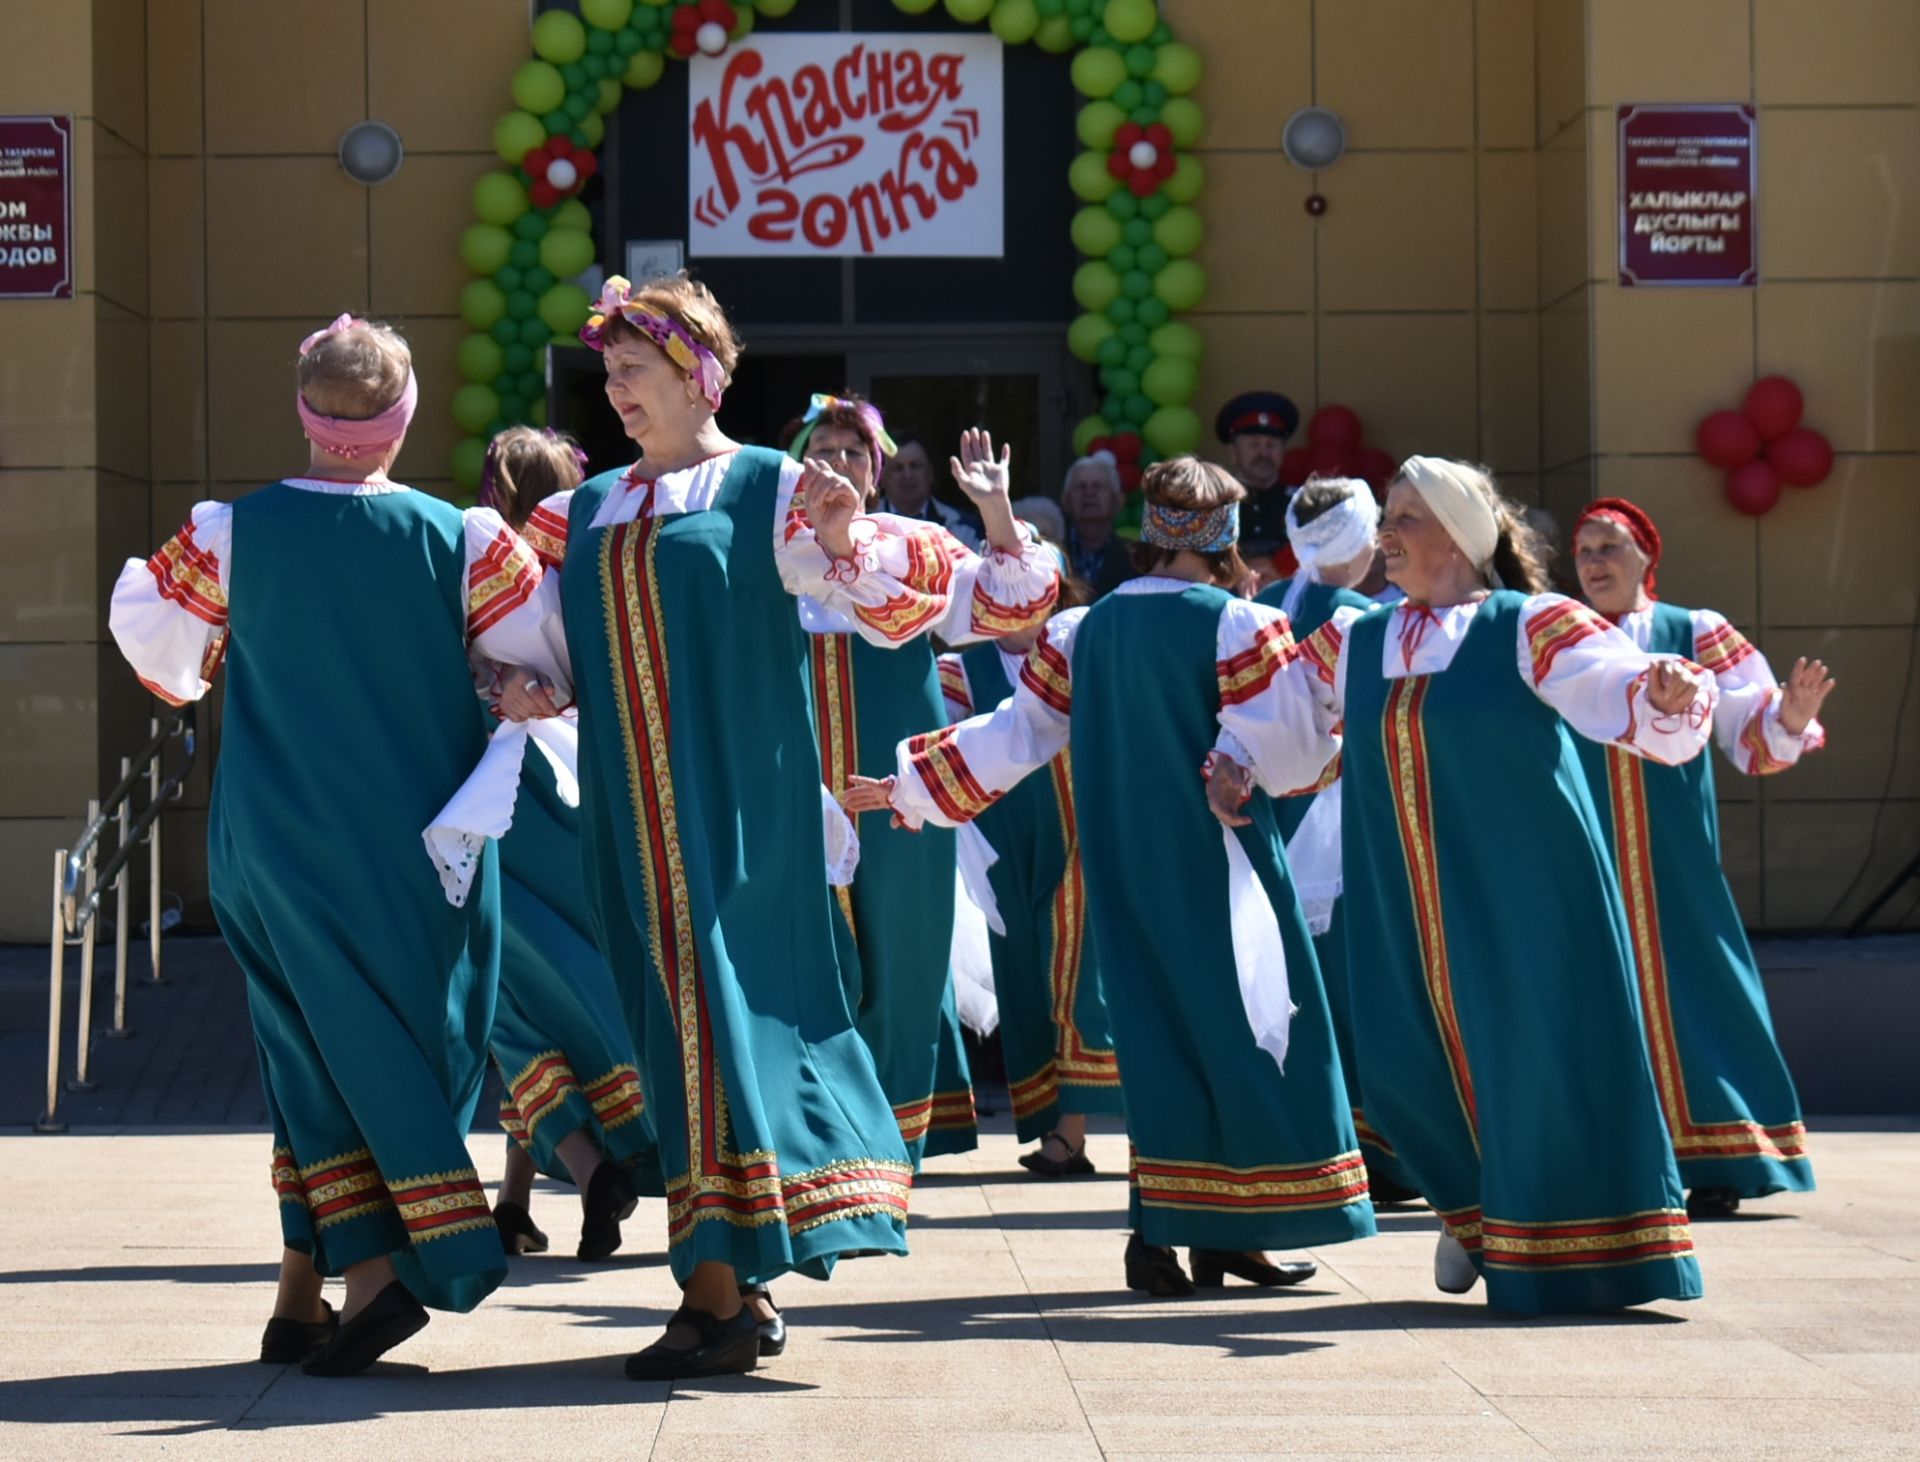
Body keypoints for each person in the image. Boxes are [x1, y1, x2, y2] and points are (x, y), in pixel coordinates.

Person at [477, 274, 1059, 1379]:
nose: (617, 392)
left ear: (698, 377)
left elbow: (960, 604)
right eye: (610, 375)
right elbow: (551, 654)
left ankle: (719, 1287)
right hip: (632, 819)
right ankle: (724, 1285)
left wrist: (850, 548)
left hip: (741, 816)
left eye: (636, 372)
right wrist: (527, 688)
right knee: (678, 1037)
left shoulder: (775, 491)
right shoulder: (582, 511)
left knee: (729, 1032)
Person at [847, 456, 1377, 1297]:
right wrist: (1312, 727)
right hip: (1224, 861)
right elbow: (1294, 753)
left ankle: (1187, 1237)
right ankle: (1209, 1228)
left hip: (1124, 870)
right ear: (1227, 539)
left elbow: (1016, 733)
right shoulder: (1238, 624)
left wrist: (913, 783)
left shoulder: (1079, 632)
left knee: (1161, 1038)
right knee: (1247, 1033)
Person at [108, 315, 528, 1375]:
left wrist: (225, 651)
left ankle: (344, 1282)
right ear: (402, 420)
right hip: (417, 843)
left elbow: (156, 641)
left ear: (305, 412)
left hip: (277, 834)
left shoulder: (232, 533)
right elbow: (542, 667)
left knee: (308, 1049)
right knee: (385, 1043)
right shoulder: (461, 538)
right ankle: (336, 1283)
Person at [1203, 455, 1714, 1315]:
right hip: (1402, 899)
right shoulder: (1357, 637)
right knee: (1402, 1066)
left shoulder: (1532, 624)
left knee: (1535, 1061)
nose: (1386, 536)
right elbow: (1286, 716)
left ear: (1457, 535)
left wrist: (1664, 691)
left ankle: (1552, 1239)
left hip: (1526, 895)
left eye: (1404, 518)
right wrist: (1237, 760)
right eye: (1386, 519)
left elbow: (1626, 692)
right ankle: (1474, 1208)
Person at [1572, 497, 1833, 1217]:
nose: (1594, 562)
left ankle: (1725, 1153)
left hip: (1673, 853)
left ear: (1647, 556)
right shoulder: (1565, 635)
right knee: (1593, 994)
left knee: (1703, 985)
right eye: (1584, 550)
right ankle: (1617, 1157)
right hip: (1586, 848)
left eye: (1609, 547)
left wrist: (1791, 716)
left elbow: (1750, 726)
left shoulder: (1694, 630)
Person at [457, 426, 663, 1262]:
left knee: (508, 996)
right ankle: (529, 1196)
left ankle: (580, 1169)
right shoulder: (596, 575)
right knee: (551, 990)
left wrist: (490, 684)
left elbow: (451, 671)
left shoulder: (474, 570)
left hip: (500, 801)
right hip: (581, 801)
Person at [781, 393, 1000, 1168]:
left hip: (897, 775)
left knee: (905, 938)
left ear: (876, 472)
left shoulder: (915, 544)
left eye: (854, 454)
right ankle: (824, 1124)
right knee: (812, 938)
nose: (838, 466)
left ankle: (892, 1135)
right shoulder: (770, 545)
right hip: (797, 770)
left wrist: (996, 512)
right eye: (824, 451)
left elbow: (1010, 605)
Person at [1254, 478, 1420, 1204]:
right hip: (1344, 819)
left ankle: (1315, 1141)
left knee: (1298, 980)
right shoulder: (1363, 618)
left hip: (1271, 812)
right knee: (1364, 980)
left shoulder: (1257, 609)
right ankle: (1381, 1146)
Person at [935, 576, 1126, 1179]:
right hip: (1007, 848)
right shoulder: (963, 669)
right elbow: (949, 743)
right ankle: (1053, 1123)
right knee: (1025, 981)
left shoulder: (1086, 645)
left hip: (1085, 834)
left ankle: (1076, 1134)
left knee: (1079, 976)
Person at [1214, 390, 1301, 579]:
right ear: (1233, 452)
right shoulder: (1215, 504)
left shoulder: (1301, 503)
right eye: (1254, 444)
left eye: (1271, 445)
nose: (1264, 453)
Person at [878, 432, 983, 549]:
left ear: (930, 473)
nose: (907, 475)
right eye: (898, 468)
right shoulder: (866, 523)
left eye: (915, 466)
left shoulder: (962, 527)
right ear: (883, 477)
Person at [1061, 451, 1136, 598]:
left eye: (1098, 486)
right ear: (1066, 500)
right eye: (1081, 487)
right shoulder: (1051, 556)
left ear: (1118, 500)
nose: (1089, 493)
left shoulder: (1136, 559)